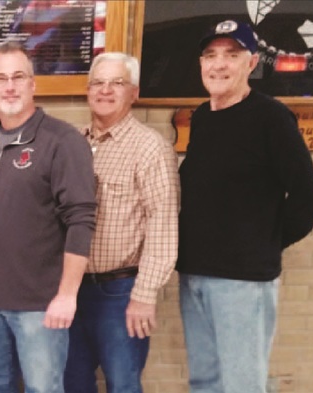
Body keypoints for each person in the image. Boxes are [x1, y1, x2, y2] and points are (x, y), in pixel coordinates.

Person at [178, 20, 313, 393]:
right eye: (210, 56)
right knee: (205, 382)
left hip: (242, 283)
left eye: (231, 55)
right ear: (200, 64)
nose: (218, 64)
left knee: (242, 384)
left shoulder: (271, 118)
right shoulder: (202, 117)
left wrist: (264, 244)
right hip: (194, 275)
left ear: (252, 62)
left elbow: (309, 198)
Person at [0, 42, 97, 393]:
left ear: (33, 84)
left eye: (18, 77)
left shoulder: (62, 141)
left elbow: (81, 220)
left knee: (43, 387)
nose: (9, 86)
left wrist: (67, 295)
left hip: (40, 304)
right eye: (0, 78)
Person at [64, 52, 180, 393]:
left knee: (123, 383)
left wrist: (144, 296)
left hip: (120, 292)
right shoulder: (73, 145)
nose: (105, 90)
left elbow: (163, 226)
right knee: (72, 381)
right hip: (71, 288)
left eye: (117, 83)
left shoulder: (150, 149)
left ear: (134, 92)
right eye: (98, 83)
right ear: (87, 90)